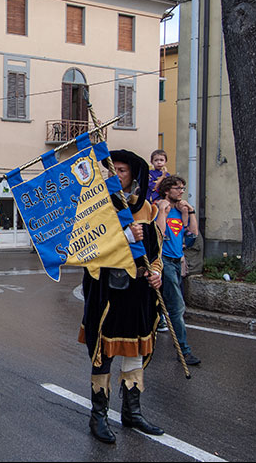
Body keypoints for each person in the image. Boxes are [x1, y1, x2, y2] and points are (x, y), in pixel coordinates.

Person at [79, 150, 164, 444]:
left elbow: (156, 251)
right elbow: (87, 248)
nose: (114, 175)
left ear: (134, 176)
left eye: (122, 171)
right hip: (108, 291)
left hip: (138, 293)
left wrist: (156, 272)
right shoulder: (97, 206)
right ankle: (98, 415)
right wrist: (126, 237)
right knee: (105, 351)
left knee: (135, 352)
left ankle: (132, 412)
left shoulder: (148, 210)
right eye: (111, 170)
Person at [156, 175, 201, 366]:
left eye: (183, 188)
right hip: (163, 262)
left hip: (175, 262)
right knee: (177, 306)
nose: (181, 191)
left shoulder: (180, 211)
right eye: (177, 188)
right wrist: (162, 211)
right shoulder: (160, 208)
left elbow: (192, 235)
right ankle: (184, 350)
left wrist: (190, 212)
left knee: (164, 305)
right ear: (167, 190)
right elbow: (160, 234)